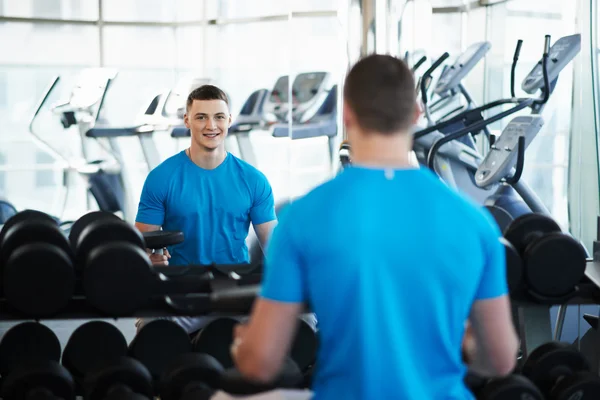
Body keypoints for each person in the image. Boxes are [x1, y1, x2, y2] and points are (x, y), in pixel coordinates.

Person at [230, 54, 519, 399]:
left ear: (347, 115)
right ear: (415, 114)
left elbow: (261, 363)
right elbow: (500, 361)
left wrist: (243, 346)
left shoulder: (301, 217)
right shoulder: (475, 222)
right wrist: (469, 343)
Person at [134, 84, 278, 333]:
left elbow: (275, 247)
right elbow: (142, 247)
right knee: (150, 330)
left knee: (302, 321)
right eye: (201, 117)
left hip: (236, 291)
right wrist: (151, 259)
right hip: (183, 291)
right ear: (187, 120)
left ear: (229, 120)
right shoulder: (162, 178)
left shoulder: (253, 180)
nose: (211, 125)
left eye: (219, 117)